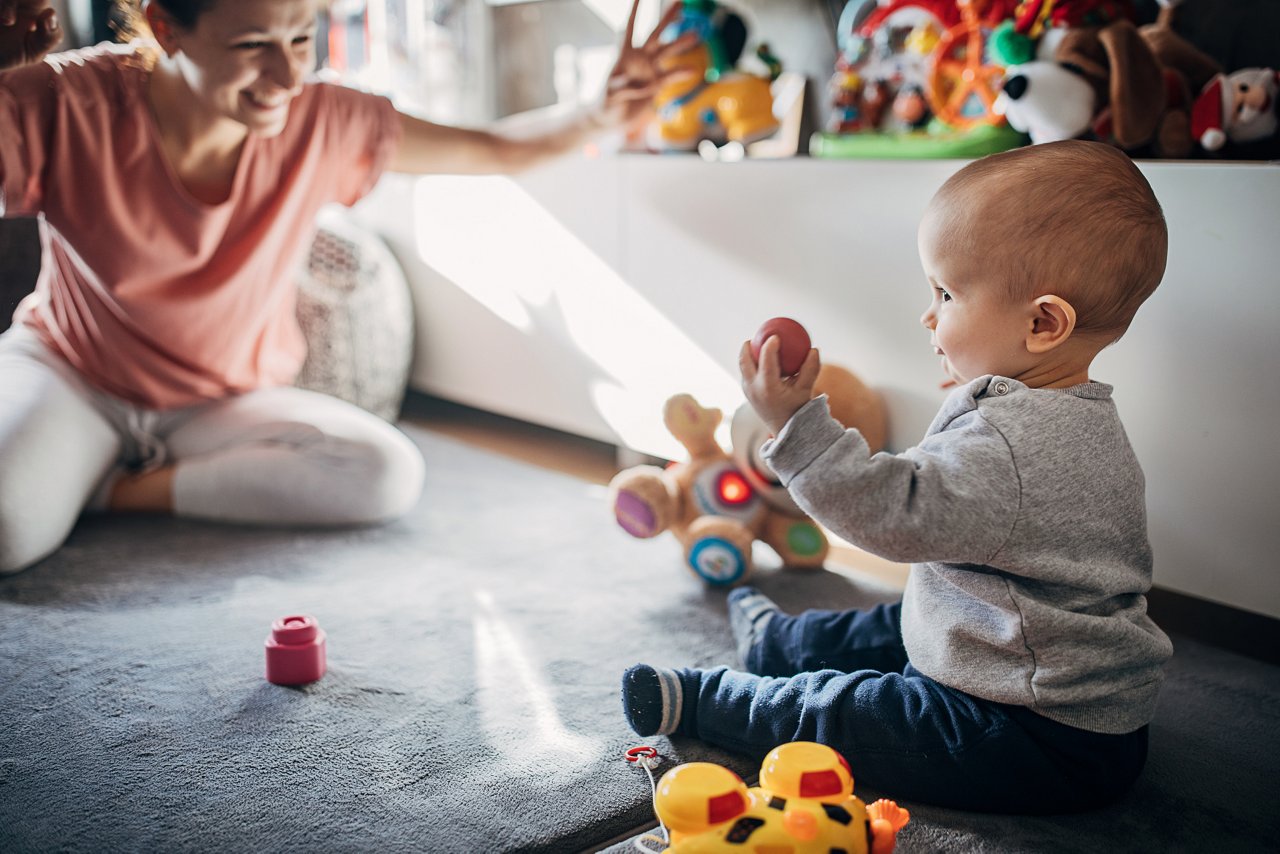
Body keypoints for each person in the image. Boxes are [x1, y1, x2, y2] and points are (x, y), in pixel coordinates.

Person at [0, 0, 697, 574]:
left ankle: (112, 489)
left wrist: (599, 114)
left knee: (384, 472)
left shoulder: (325, 119)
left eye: (302, 36)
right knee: (6, 533)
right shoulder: (68, 102)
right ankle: (86, 469)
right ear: (165, 26)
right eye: (251, 44)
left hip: (221, 402)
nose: (285, 73)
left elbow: (493, 149)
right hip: (73, 375)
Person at [621, 139, 1175, 814]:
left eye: (946, 292)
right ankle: (782, 642)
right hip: (1034, 668)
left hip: (1036, 733)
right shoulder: (1071, 415)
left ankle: (718, 703)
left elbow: (892, 512)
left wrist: (794, 424)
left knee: (856, 714)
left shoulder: (1011, 446)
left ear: (1041, 323)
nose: (929, 313)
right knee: (895, 621)